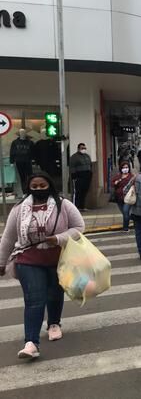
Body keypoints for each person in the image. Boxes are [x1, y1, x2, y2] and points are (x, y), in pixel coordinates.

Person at [0, 172, 84, 360]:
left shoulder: (64, 205)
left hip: (58, 259)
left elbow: (79, 227)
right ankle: (31, 343)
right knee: (34, 299)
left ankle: (54, 323)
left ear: (50, 186)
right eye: (34, 186)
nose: (38, 189)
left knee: (54, 293)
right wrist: (2, 262)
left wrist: (59, 238)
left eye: (42, 186)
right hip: (28, 259)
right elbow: (8, 238)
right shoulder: (19, 209)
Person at [111, 161, 133, 231]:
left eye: (126, 167)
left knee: (126, 211)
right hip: (119, 198)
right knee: (124, 213)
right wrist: (116, 182)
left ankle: (125, 227)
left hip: (128, 197)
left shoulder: (131, 177)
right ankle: (132, 218)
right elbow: (112, 183)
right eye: (123, 167)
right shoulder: (118, 176)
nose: (125, 169)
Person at [70, 143, 93, 211]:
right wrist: (74, 176)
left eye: (84, 148)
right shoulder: (74, 157)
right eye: (82, 148)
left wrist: (90, 173)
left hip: (87, 176)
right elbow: (72, 167)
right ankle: (76, 207)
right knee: (78, 192)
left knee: (84, 191)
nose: (83, 149)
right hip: (79, 176)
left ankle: (82, 206)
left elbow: (90, 165)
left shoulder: (87, 156)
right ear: (78, 149)